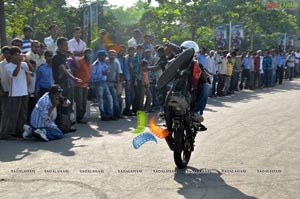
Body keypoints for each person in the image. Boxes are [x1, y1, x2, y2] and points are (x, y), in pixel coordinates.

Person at [52, 37, 82, 132]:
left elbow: (73, 68)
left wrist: (72, 56)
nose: (67, 47)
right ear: (59, 46)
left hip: (68, 84)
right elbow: (63, 70)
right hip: (60, 85)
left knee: (68, 104)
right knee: (60, 105)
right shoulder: (57, 57)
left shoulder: (65, 57)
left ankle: (67, 125)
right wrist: (74, 78)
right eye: (65, 45)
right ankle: (60, 126)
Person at [0, 46, 30, 139]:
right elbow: (14, 74)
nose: (18, 56)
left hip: (24, 92)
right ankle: (6, 133)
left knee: (22, 113)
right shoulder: (8, 66)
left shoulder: (23, 64)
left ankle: (19, 131)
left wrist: (25, 61)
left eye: (19, 54)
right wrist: (18, 64)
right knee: (11, 114)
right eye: (15, 55)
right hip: (14, 93)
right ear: (11, 56)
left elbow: (31, 71)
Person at [90, 50, 114, 121]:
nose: (104, 57)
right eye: (103, 56)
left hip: (104, 82)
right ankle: (103, 114)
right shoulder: (95, 64)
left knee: (109, 98)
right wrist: (102, 74)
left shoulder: (105, 63)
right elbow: (92, 76)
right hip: (98, 82)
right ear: (99, 56)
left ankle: (110, 114)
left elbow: (107, 70)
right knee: (100, 100)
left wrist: (106, 72)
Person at [74, 49, 93, 123]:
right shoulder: (80, 61)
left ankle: (82, 116)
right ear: (84, 54)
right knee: (79, 101)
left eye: (90, 53)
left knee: (84, 101)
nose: (89, 54)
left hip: (86, 84)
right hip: (79, 85)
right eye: (88, 53)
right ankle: (79, 117)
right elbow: (76, 69)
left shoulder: (89, 62)